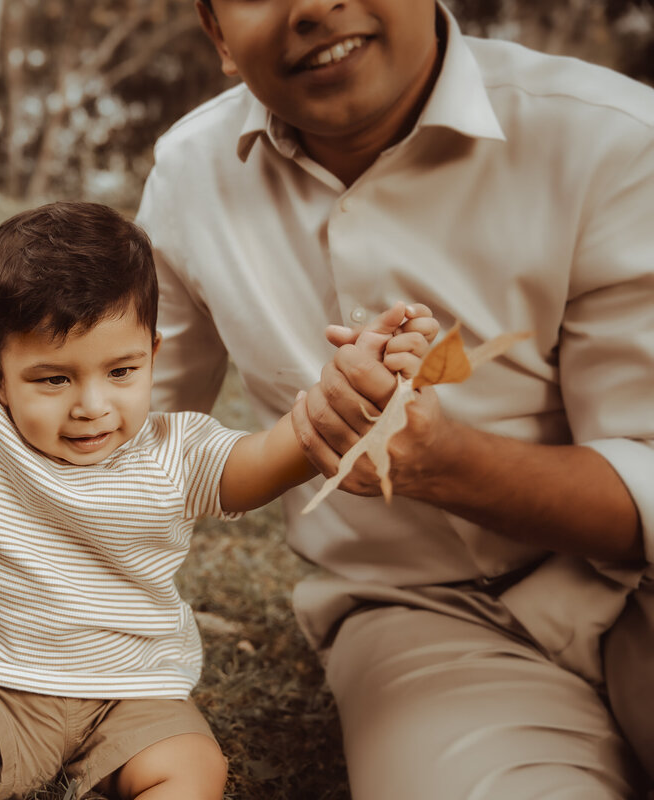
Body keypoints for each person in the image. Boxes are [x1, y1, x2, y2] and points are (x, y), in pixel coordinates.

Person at [0, 154, 435, 799]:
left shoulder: (178, 453)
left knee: (194, 764)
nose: (92, 405)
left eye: (121, 372)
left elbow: (276, 452)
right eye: (53, 379)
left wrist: (354, 387)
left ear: (152, 353)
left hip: (131, 696)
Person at [136, 0, 654, 797]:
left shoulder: (612, 139)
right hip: (426, 622)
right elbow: (112, 446)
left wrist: (445, 463)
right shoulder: (191, 176)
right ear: (217, 36)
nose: (310, 7)